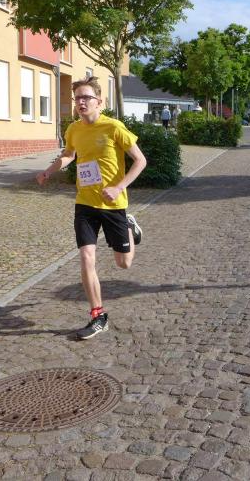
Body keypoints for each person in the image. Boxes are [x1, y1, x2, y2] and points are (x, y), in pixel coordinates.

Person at [36, 76, 147, 340]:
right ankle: (98, 315)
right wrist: (49, 171)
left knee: (124, 263)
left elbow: (140, 161)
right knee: (86, 256)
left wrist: (119, 187)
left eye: (86, 97)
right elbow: (68, 155)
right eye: (77, 98)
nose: (81, 102)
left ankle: (129, 226)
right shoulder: (74, 129)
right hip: (85, 203)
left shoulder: (114, 127)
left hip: (113, 204)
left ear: (100, 101)